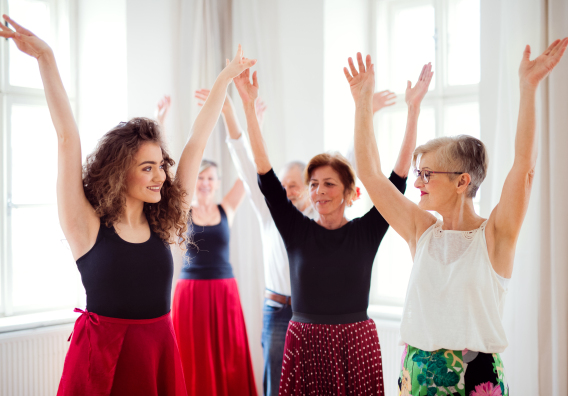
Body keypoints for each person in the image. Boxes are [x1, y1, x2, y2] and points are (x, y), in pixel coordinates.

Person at [0, 15, 255, 395]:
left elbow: (196, 142)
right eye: (147, 168)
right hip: (102, 358)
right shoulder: (84, 225)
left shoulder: (162, 223)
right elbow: (68, 137)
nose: (160, 177)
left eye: (161, 167)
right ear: (121, 173)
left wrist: (224, 79)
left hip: (158, 352)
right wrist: (46, 58)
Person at [350, 39, 568, 396]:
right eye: (418, 173)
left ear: (461, 182)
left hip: (476, 375)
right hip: (418, 371)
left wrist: (528, 89)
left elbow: (524, 169)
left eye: (426, 174)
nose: (417, 182)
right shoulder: (420, 229)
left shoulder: (496, 234)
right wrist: (362, 102)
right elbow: (371, 175)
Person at [233, 60, 432, 395]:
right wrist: (249, 107)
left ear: (350, 193)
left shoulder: (365, 232)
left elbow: (397, 179)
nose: (319, 191)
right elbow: (265, 175)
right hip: (305, 343)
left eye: (328, 184)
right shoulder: (297, 230)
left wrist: (412, 110)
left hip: (355, 344)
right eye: (314, 184)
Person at [196, 86, 398, 395]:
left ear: (307, 190)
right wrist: (237, 115)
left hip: (322, 318)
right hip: (280, 312)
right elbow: (255, 171)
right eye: (285, 184)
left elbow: (344, 165)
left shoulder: (315, 218)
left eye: (295, 185)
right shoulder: (272, 213)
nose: (289, 190)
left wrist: (366, 111)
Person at [172, 158, 257, 396]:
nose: (205, 183)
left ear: (218, 183)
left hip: (224, 292)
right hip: (190, 294)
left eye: (210, 178)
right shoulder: (181, 211)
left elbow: (245, 176)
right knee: (193, 355)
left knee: (232, 354)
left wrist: (253, 130)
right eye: (200, 177)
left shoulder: (226, 208)